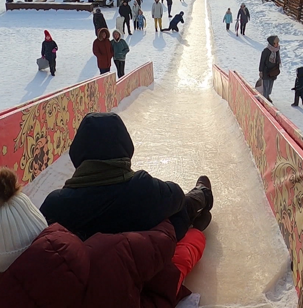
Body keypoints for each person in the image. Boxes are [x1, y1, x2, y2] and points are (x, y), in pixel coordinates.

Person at [0, 167, 208, 307]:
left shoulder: (57, 203)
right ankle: (198, 216)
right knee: (175, 262)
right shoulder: (106, 252)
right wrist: (158, 215)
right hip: (149, 276)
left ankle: (197, 213)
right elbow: (162, 241)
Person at [40, 112, 214, 243]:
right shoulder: (142, 188)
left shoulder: (56, 205)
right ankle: (202, 196)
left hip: (88, 278)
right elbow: (176, 196)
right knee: (174, 213)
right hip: (142, 268)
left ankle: (198, 209)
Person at [259, 35, 281, 103]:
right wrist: (261, 71)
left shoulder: (277, 50)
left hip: (273, 71)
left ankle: (267, 96)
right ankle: (265, 100)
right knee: (266, 86)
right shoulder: (266, 51)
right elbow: (262, 61)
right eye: (275, 43)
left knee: (270, 86)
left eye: (277, 43)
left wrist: (277, 67)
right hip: (266, 71)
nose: (277, 44)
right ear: (272, 43)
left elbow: (277, 59)